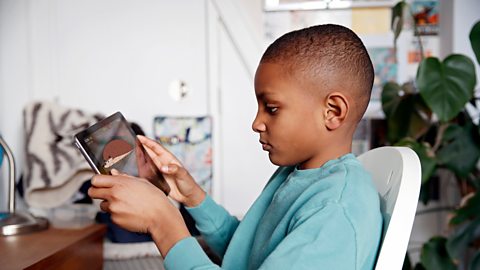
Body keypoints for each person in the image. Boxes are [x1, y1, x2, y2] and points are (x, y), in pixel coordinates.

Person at [88, 24, 383, 269]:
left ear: (332, 111)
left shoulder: (334, 212)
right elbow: (247, 252)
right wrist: (193, 197)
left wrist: (162, 221)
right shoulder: (302, 175)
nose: (256, 122)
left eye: (272, 108)